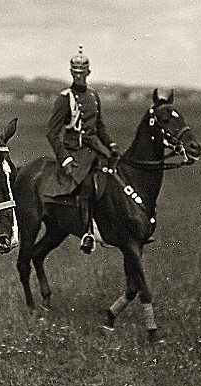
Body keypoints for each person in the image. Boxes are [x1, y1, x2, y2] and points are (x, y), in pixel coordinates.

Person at [46, 46, 120, 253]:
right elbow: (51, 132)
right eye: (75, 72)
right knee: (88, 185)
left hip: (94, 149)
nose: (78, 76)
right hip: (75, 152)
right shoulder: (65, 98)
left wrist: (112, 146)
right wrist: (65, 159)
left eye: (82, 72)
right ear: (71, 73)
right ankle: (87, 232)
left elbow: (100, 127)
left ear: (88, 72)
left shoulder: (94, 95)